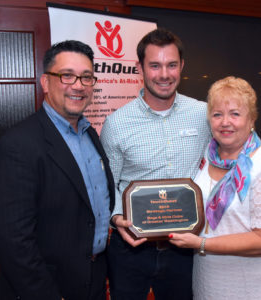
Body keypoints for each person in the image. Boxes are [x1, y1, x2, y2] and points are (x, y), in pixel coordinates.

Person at [0, 40, 115, 300]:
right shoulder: (19, 144)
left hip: (93, 278)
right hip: (48, 286)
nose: (78, 85)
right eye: (67, 75)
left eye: (86, 77)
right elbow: (14, 242)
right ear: (45, 82)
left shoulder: (90, 135)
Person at [100, 28, 211, 300]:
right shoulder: (117, 124)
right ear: (140, 68)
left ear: (182, 66)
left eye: (172, 65)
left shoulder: (202, 114)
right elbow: (106, 185)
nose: (164, 74)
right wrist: (116, 218)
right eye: (155, 65)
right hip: (131, 248)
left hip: (185, 248)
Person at [169, 76, 261, 299]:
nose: (225, 122)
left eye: (235, 114)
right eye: (217, 114)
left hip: (257, 286)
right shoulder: (206, 156)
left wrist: (202, 243)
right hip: (210, 280)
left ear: (252, 119)